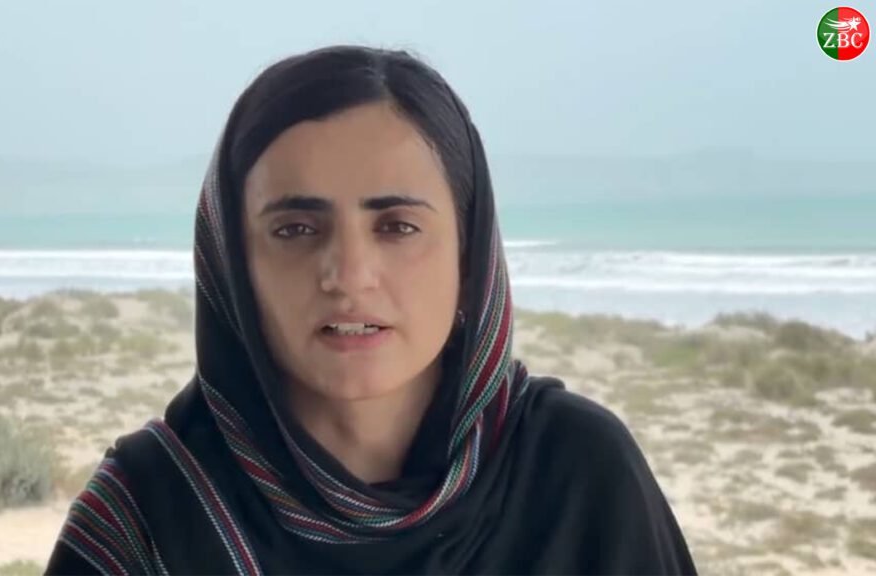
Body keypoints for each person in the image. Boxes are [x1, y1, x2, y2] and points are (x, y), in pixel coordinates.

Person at [45, 45, 697, 575]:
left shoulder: (577, 471)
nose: (348, 276)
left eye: (397, 227)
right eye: (296, 229)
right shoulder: (150, 511)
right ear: (233, 266)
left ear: (468, 255)